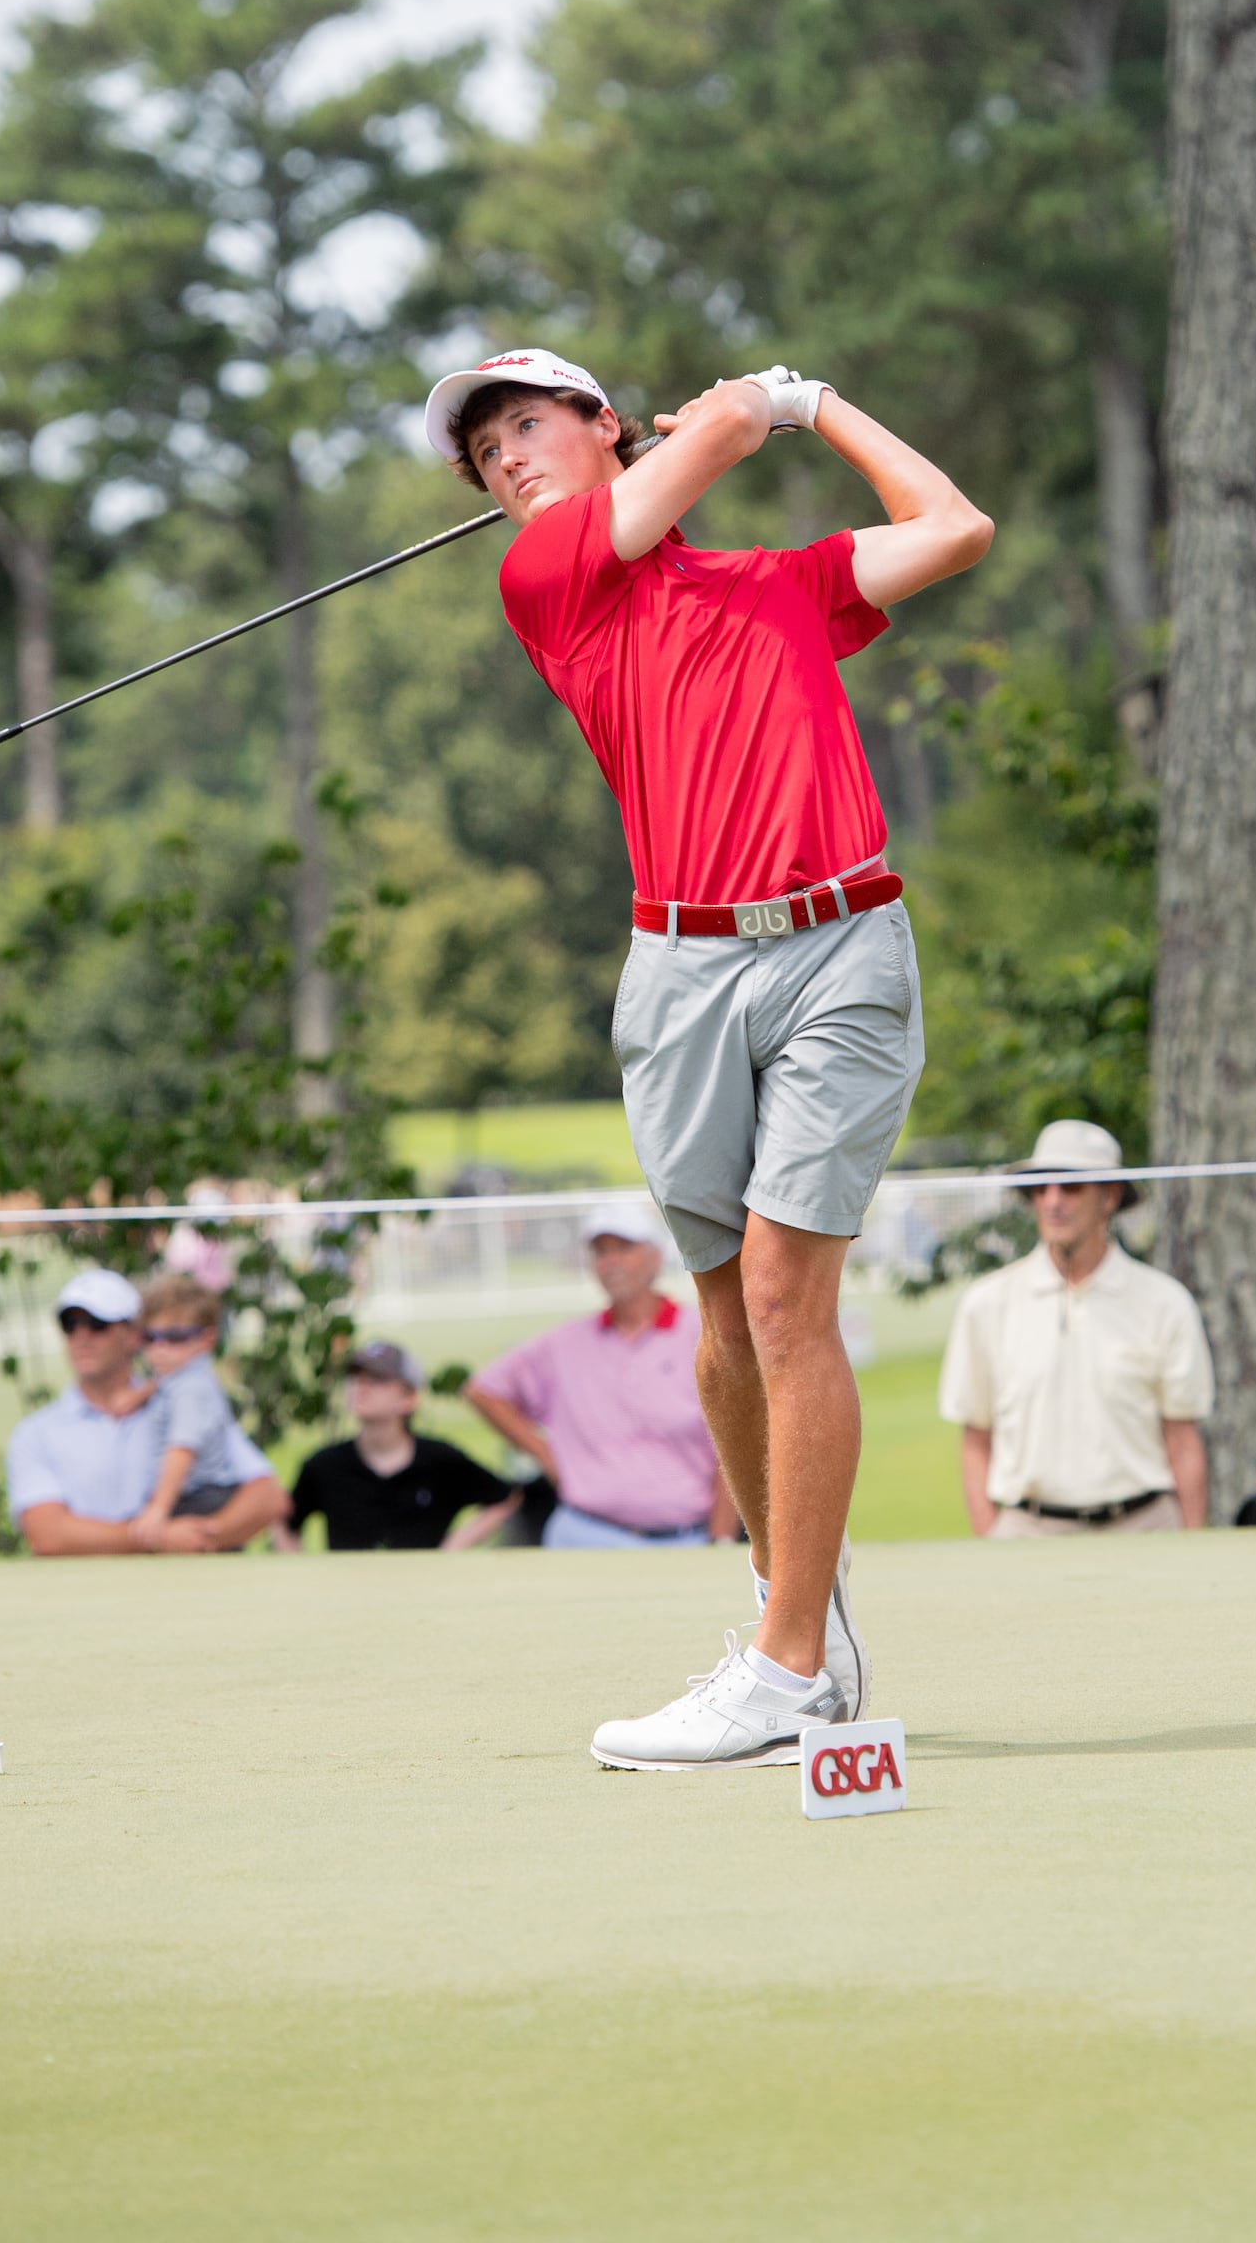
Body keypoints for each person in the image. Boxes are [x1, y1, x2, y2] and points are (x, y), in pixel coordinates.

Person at [428, 344, 991, 1767]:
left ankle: (787, 1667)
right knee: (727, 1317)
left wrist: (826, 406)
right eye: (483, 451)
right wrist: (758, 403)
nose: (504, 457)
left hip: (839, 947)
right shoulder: (546, 581)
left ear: (603, 424)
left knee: (793, 1301)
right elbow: (730, 423)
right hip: (677, 971)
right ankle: (797, 1605)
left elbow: (954, 526)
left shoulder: (777, 587)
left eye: (526, 425)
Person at [938, 1119, 1215, 1536]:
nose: (1052, 1201)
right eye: (1040, 1187)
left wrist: (1194, 1542)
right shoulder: (986, 1303)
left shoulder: (1165, 1302)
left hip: (1146, 1526)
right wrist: (989, 1541)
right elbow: (976, 1439)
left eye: (1071, 1186)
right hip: (1026, 1531)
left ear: (1110, 1196)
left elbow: (1183, 1439)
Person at [464, 1199, 742, 1553]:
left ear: (655, 1258)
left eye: (624, 1248)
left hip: (684, 1538)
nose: (611, 1262)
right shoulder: (566, 1344)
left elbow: (735, 1441)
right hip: (582, 1535)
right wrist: (548, 1456)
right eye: (600, 1252)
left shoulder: (702, 1336)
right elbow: (483, 1390)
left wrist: (720, 1537)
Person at [8, 1269, 288, 1555]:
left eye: (97, 1324)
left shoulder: (180, 1402)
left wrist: (202, 1537)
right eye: (70, 1324)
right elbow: (47, 1534)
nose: (82, 1336)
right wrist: (159, 1538)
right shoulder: (34, 1432)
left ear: (133, 1336)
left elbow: (269, 1498)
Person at [288, 1342, 521, 1552]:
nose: (362, 1387)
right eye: (356, 1378)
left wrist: (454, 1547)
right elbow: (286, 1520)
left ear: (409, 1398)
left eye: (378, 1379)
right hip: (349, 1592)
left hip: (425, 1590)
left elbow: (504, 1497)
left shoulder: (441, 1461)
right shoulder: (325, 1465)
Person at [131, 1271, 261, 1534]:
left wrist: (158, 1507)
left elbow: (182, 1448)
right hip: (196, 1494)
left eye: (176, 1337)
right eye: (150, 1338)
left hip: (198, 1497)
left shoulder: (191, 1389)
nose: (160, 1348)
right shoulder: (180, 1377)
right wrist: (139, 1395)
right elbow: (162, 1384)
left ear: (206, 1339)